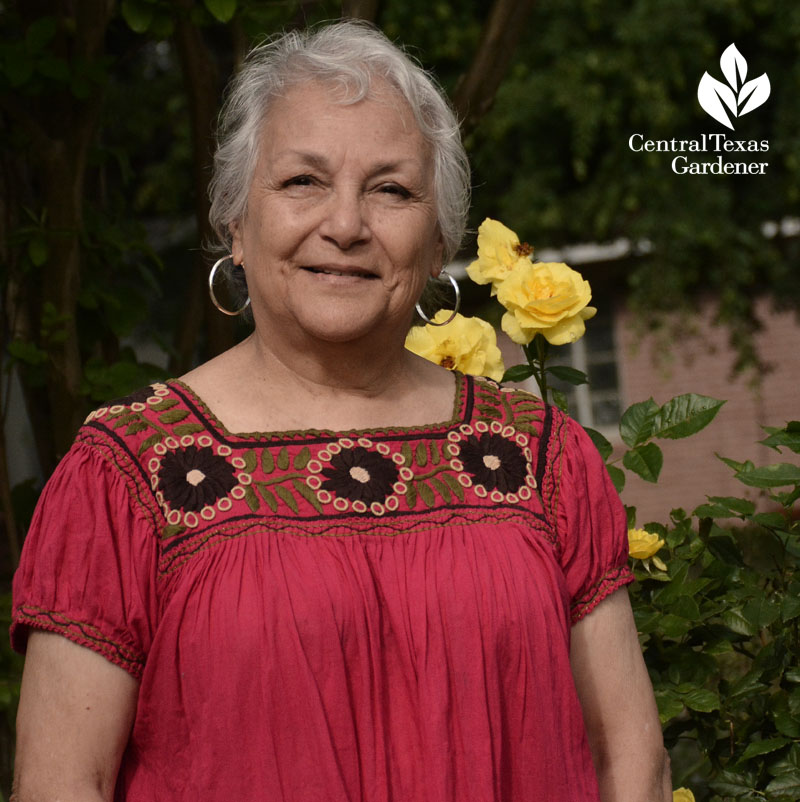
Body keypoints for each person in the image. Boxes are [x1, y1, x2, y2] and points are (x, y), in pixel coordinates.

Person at [10, 20, 671, 802]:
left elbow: (633, 764)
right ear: (236, 224)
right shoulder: (125, 476)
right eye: (302, 182)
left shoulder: (540, 457)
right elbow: (61, 783)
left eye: (391, 189)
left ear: (436, 244)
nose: (347, 225)